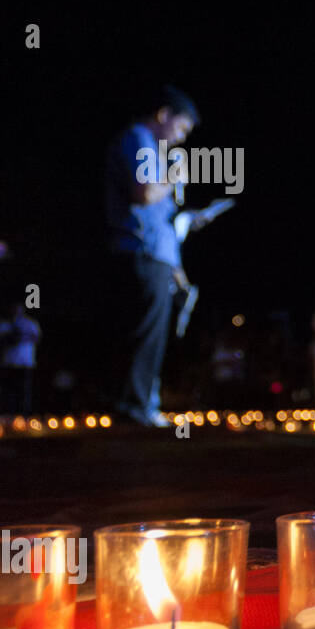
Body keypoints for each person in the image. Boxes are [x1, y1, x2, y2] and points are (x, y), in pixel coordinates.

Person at [104, 86, 201, 426]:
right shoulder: (140, 138)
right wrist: (174, 176)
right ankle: (136, 406)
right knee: (145, 332)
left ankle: (136, 403)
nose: (181, 138)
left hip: (155, 255)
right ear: (163, 115)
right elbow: (144, 192)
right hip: (142, 252)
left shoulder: (152, 149)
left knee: (150, 332)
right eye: (182, 128)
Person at [0, 302, 41, 414]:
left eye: (19, 309)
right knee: (8, 391)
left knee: (24, 391)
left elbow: (37, 338)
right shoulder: (5, 324)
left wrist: (23, 335)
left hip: (25, 363)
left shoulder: (30, 323)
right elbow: (1, 340)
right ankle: (7, 413)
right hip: (9, 363)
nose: (16, 312)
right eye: (14, 309)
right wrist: (15, 336)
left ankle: (23, 414)